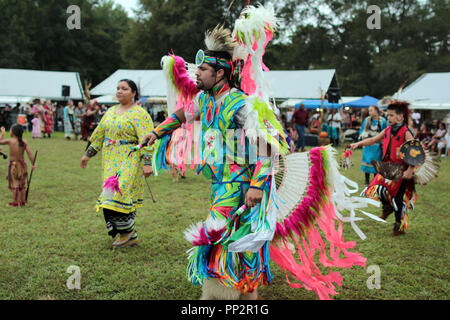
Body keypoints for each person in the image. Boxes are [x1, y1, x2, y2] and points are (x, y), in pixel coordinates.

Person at [80, 79, 154, 249]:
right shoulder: (110, 111)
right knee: (108, 195)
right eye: (118, 88)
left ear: (133, 93)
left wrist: (148, 162)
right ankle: (128, 233)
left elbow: (148, 139)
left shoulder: (140, 114)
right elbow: (99, 135)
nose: (119, 91)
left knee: (118, 193)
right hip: (109, 160)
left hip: (129, 158)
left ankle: (127, 232)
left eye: (124, 89)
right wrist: (87, 155)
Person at [351, 101, 416, 236]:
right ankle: (387, 208)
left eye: (392, 115)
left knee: (398, 199)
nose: (389, 118)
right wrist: (358, 143)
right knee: (377, 189)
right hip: (387, 168)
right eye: (388, 115)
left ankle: (398, 225)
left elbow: (415, 151)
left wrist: (410, 170)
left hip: (401, 170)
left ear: (400, 116)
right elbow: (373, 140)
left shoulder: (405, 132)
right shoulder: (387, 130)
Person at [0, 124, 36, 207]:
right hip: (23, 165)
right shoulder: (24, 141)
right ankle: (23, 202)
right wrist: (33, 164)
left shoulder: (10, 141)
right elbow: (30, 154)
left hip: (14, 165)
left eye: (10, 130)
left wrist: (2, 133)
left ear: (13, 132)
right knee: (22, 185)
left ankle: (15, 202)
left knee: (15, 184)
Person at [358, 105, 388, 185]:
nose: (369, 112)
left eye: (371, 110)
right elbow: (362, 130)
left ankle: (375, 181)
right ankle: (367, 180)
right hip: (368, 144)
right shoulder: (367, 120)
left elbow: (386, 131)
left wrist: (384, 141)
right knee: (367, 161)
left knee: (376, 162)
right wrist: (362, 136)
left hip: (377, 145)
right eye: (369, 110)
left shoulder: (382, 121)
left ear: (376, 111)